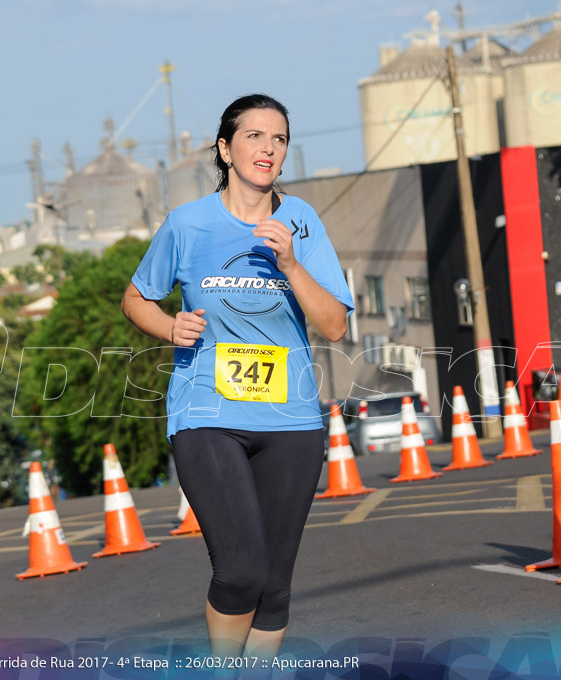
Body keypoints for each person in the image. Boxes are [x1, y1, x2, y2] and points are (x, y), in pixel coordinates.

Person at [121, 94, 354, 663]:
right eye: (254, 137)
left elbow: (334, 327)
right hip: (208, 413)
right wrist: (169, 325)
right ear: (225, 149)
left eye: (278, 139)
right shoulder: (188, 224)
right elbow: (136, 297)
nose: (268, 149)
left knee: (274, 586)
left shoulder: (301, 220)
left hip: (292, 419)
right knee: (242, 571)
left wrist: (293, 265)